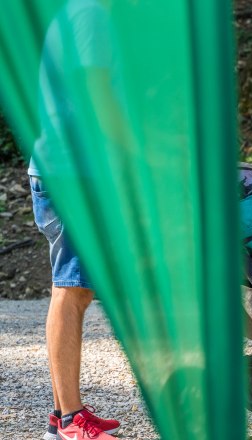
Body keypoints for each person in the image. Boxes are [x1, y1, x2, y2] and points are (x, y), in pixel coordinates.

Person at [29, 1, 124, 439]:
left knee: (76, 290)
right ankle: (70, 421)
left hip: (72, 170)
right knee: (71, 290)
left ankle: (61, 416)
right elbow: (97, 95)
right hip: (72, 173)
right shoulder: (92, 13)